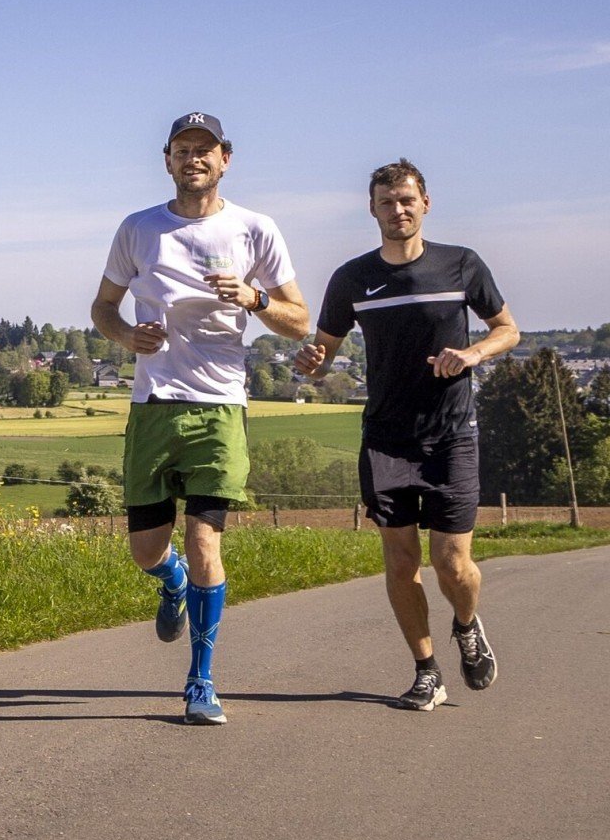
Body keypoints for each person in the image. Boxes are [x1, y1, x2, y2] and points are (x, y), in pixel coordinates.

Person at [91, 112, 310, 724]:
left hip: (220, 406)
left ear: (225, 159)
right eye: (183, 149)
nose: (194, 159)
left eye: (204, 150)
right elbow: (103, 307)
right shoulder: (138, 228)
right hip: (153, 405)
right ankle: (172, 581)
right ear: (167, 159)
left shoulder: (255, 228)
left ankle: (200, 680)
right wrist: (126, 336)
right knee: (146, 551)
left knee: (205, 538)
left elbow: (299, 320)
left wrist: (254, 298)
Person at [296, 158, 517, 711]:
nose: (398, 210)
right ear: (372, 209)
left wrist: (473, 354)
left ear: (425, 204)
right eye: (387, 202)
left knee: (452, 564)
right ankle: (426, 671)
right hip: (386, 439)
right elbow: (324, 353)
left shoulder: (461, 264)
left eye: (407, 200)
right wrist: (312, 362)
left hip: (451, 435)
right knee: (400, 562)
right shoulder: (351, 278)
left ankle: (466, 625)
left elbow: (507, 330)